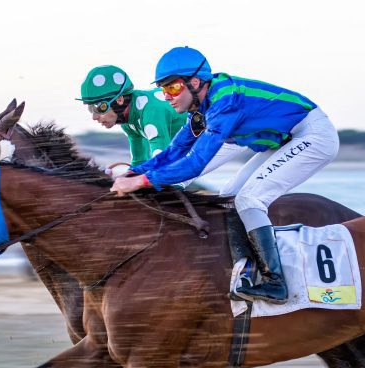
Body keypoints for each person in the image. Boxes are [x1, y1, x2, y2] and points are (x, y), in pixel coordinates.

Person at [110, 47, 340, 304]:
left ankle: (276, 283)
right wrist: (133, 171)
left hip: (313, 135)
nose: (167, 97)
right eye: (163, 90)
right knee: (229, 196)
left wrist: (141, 182)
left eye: (172, 88)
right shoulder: (201, 107)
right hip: (286, 139)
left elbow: (195, 163)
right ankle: (247, 270)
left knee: (249, 199)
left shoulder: (224, 103)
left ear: (194, 82)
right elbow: (175, 151)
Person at [77, 65, 187, 169]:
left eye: (99, 108)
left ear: (120, 100)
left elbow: (161, 162)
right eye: (91, 108)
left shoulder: (150, 112)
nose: (94, 117)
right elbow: (139, 161)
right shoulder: (127, 120)